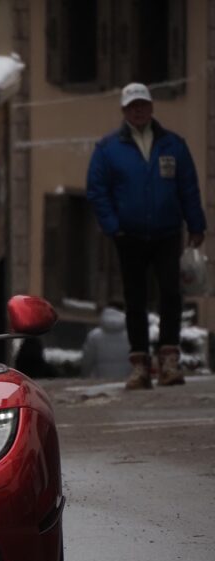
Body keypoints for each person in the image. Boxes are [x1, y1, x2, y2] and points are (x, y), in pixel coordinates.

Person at [86, 82, 206, 390]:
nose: (138, 111)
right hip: (130, 236)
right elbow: (97, 191)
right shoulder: (109, 149)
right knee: (135, 299)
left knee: (170, 294)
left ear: (151, 108)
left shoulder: (173, 145)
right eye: (132, 107)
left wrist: (196, 224)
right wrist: (114, 227)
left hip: (167, 232)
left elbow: (188, 187)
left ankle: (169, 360)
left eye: (143, 105)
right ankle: (139, 365)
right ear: (125, 111)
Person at [81, 303, 132, 379]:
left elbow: (87, 360)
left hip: (99, 381)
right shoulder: (131, 336)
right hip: (125, 380)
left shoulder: (94, 336)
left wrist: (84, 376)